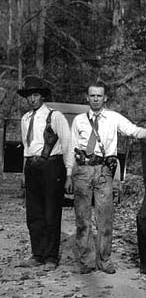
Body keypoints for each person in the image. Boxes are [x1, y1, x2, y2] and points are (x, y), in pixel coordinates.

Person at [64, 81, 146, 274]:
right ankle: (87, 260)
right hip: (82, 171)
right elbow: (71, 148)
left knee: (105, 218)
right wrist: (69, 174)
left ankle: (105, 260)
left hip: (104, 171)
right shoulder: (79, 121)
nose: (95, 99)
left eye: (99, 96)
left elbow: (134, 130)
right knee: (83, 219)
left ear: (105, 98)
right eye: (92, 95)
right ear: (87, 97)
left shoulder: (113, 118)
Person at [17, 76, 72, 271]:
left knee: (51, 212)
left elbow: (67, 144)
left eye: (35, 95)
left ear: (42, 96)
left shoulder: (54, 116)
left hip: (51, 166)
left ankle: (50, 256)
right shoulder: (25, 119)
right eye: (29, 96)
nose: (32, 99)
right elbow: (26, 146)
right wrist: (24, 172)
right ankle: (37, 254)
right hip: (32, 166)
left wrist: (69, 173)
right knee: (34, 213)